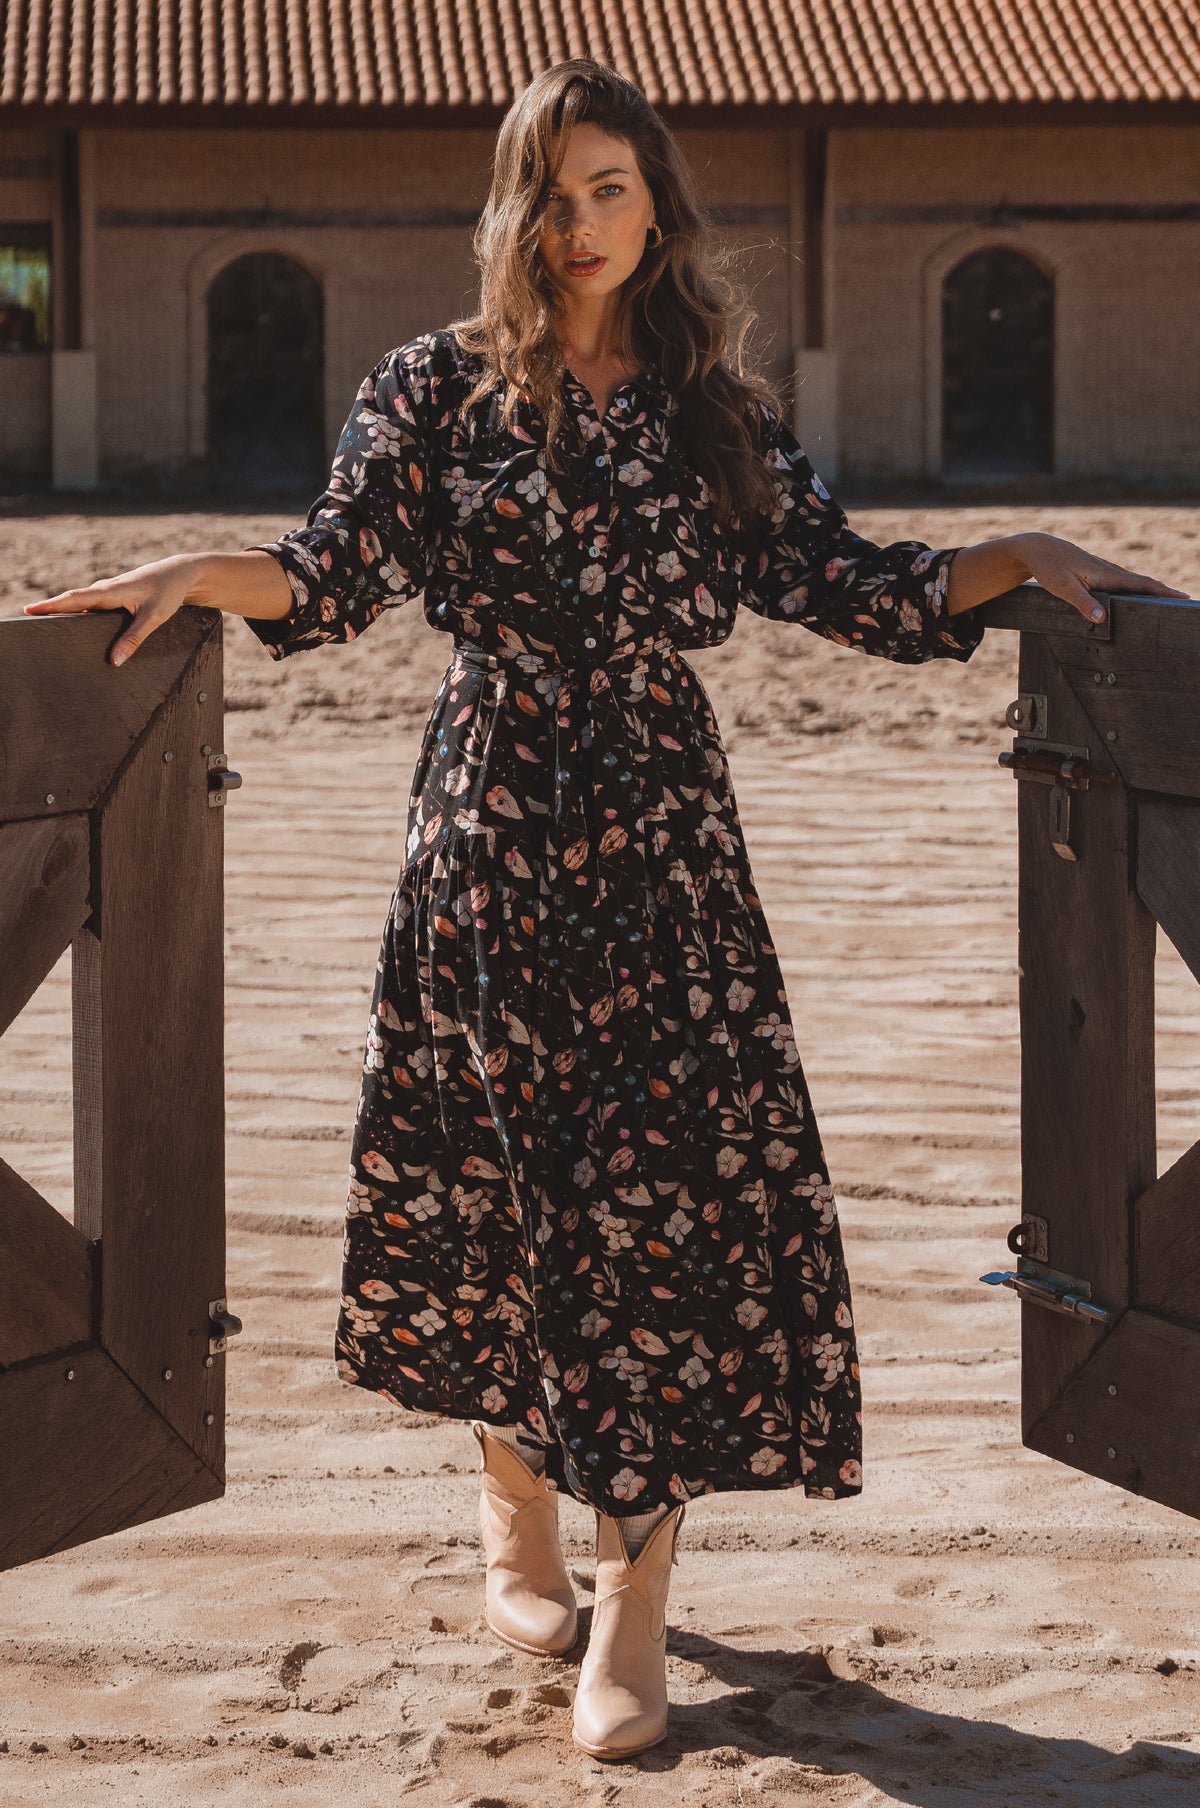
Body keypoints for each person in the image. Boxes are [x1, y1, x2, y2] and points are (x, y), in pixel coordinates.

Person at [25, 58, 1183, 1763]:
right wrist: (203, 568)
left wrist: (1005, 554)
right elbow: (335, 571)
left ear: (660, 204)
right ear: (511, 209)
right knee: (495, 1170)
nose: (583, 225)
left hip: (662, 845)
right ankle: (514, 1499)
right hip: (484, 826)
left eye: (613, 189)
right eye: (553, 193)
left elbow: (846, 584)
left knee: (661, 1203)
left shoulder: (716, 408)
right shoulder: (432, 390)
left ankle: (633, 1590)